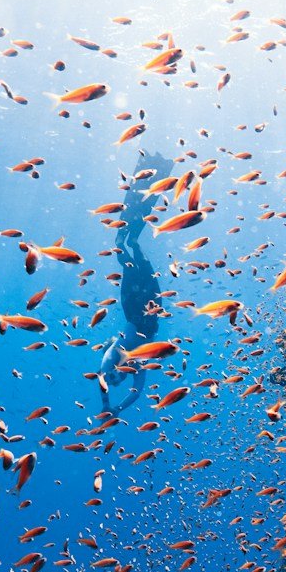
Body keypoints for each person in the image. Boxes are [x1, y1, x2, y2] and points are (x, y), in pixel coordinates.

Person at [97, 151, 171, 416]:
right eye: (118, 376)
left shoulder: (116, 354)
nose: (115, 372)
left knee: (126, 249)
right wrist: (115, 407)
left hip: (138, 303)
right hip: (148, 304)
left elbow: (103, 374)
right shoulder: (135, 364)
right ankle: (156, 176)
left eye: (112, 375)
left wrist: (108, 404)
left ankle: (149, 175)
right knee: (130, 246)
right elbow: (136, 392)